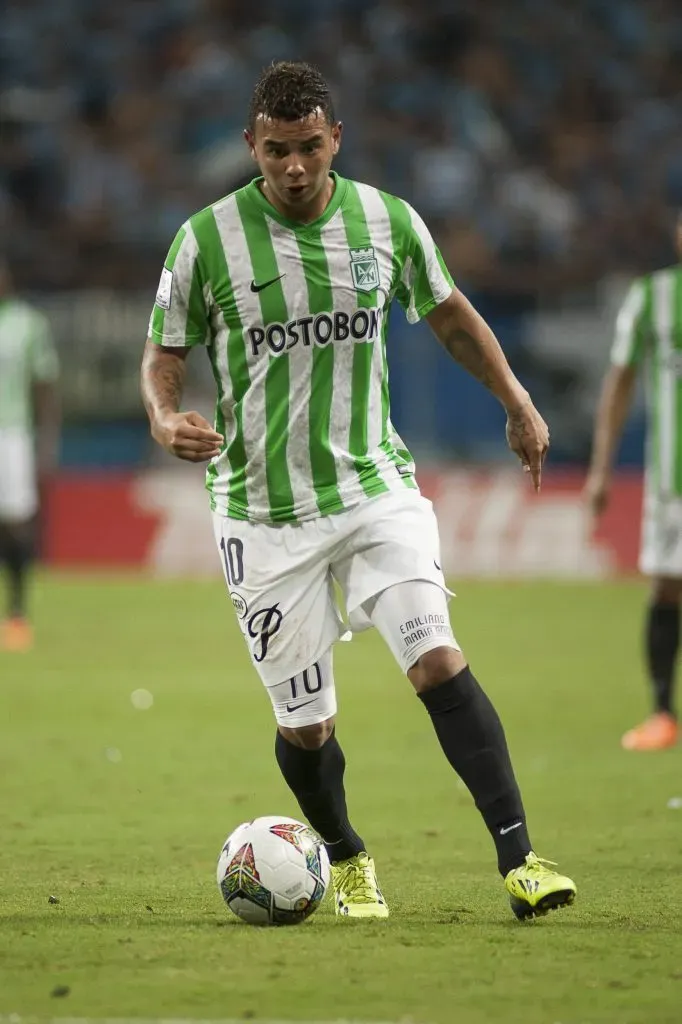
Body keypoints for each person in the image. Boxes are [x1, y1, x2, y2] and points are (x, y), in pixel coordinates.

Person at [141, 61, 576, 920]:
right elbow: (165, 353)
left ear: (336, 138)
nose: (294, 168)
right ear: (250, 147)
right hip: (263, 514)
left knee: (436, 657)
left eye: (308, 147)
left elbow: (449, 312)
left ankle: (522, 861)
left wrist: (517, 400)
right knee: (307, 729)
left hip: (375, 489)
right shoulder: (205, 241)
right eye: (276, 151)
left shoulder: (388, 222)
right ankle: (343, 856)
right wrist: (162, 418)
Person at [585, 213, 682, 752]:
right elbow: (619, 382)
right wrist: (601, 470)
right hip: (674, 478)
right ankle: (663, 712)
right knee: (668, 586)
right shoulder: (653, 296)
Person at [0, 255, 60, 651]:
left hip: (11, 435)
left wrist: (47, 440)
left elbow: (44, 385)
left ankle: (17, 615)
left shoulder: (27, 324)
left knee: (17, 522)